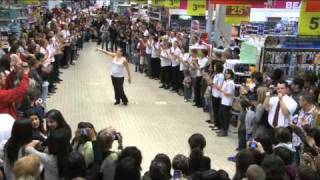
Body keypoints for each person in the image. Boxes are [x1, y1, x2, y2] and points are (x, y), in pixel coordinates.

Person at [216, 69, 235, 137]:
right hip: (223, 101)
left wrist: (220, 90)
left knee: (225, 117)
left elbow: (228, 93)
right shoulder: (226, 82)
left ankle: (225, 131)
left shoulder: (230, 83)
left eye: (227, 73)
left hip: (227, 103)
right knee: (220, 115)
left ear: (230, 75)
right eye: (225, 73)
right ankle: (222, 129)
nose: (226, 75)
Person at [210, 62, 224, 130]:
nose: (214, 68)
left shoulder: (221, 76)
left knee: (217, 111)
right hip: (214, 93)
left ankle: (218, 125)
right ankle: (215, 124)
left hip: (218, 95)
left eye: (215, 67)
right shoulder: (216, 75)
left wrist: (212, 84)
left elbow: (220, 86)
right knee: (214, 110)